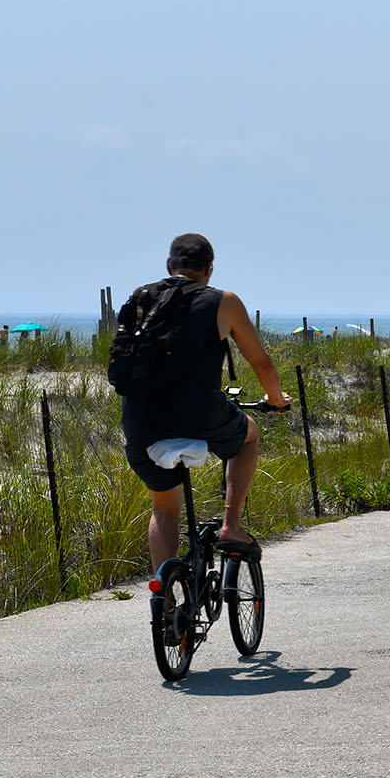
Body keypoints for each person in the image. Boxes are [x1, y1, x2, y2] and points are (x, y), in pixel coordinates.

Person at [121, 233, 291, 572]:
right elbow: (261, 362)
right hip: (200, 411)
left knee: (164, 508)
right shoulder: (224, 301)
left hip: (140, 418)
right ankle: (231, 525)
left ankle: (165, 605)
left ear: (170, 266)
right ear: (208, 270)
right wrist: (276, 399)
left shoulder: (140, 298)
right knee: (250, 435)